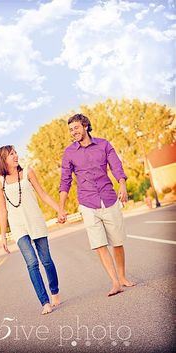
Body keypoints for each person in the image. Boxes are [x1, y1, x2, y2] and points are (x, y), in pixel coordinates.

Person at [58, 114, 135, 296]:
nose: (73, 132)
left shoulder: (103, 144)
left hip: (108, 197)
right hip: (87, 202)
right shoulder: (69, 153)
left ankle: (122, 276)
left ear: (85, 126)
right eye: (70, 129)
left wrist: (122, 184)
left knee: (117, 242)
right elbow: (65, 181)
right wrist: (61, 207)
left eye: (76, 128)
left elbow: (116, 166)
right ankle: (115, 282)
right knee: (99, 244)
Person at [0, 145, 60, 314]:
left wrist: (59, 209)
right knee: (32, 263)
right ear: (3, 160)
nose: (16, 156)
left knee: (46, 260)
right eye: (11, 154)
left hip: (35, 221)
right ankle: (44, 302)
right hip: (18, 227)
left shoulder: (28, 172)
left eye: (15, 152)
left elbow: (43, 195)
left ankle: (54, 291)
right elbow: (2, 210)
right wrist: (3, 236)